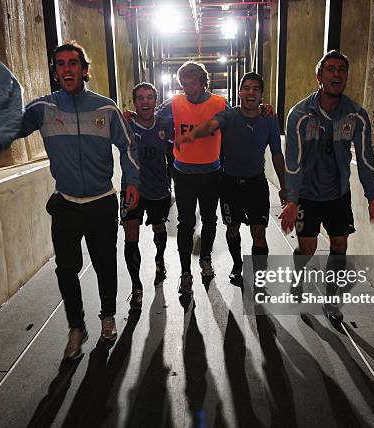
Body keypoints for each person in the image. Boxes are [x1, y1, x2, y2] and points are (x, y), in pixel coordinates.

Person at [17, 41, 140, 359]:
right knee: (66, 269)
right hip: (66, 204)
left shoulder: (105, 108)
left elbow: (128, 148)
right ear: (55, 72)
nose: (67, 68)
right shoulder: (43, 109)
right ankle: (76, 328)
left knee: (104, 264)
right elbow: (10, 128)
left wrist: (131, 184)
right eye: (60, 64)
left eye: (73, 63)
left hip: (101, 202)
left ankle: (108, 317)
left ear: (85, 70)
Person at [279, 50, 374, 324]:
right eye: (330, 69)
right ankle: (299, 284)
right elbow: (292, 161)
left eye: (341, 69)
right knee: (307, 249)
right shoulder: (300, 114)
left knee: (340, 245)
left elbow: (366, 158)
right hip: (306, 194)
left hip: (338, 193)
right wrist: (292, 200)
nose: (336, 74)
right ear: (319, 77)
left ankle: (331, 299)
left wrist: (372, 196)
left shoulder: (356, 115)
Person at [178, 72, 287, 286]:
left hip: (256, 183)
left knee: (259, 232)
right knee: (232, 229)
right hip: (229, 183)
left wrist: (284, 186)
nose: (251, 92)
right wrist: (194, 134)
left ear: (262, 95)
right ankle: (237, 264)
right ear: (239, 92)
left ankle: (259, 276)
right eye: (246, 88)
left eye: (256, 89)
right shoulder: (229, 116)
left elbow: (276, 153)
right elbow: (213, 124)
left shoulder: (269, 119)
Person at [155, 61, 227, 294]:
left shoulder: (219, 104)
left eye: (193, 83)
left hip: (211, 174)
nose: (188, 88)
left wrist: (263, 110)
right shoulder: (174, 103)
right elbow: (152, 119)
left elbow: (242, 118)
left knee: (210, 220)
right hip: (183, 174)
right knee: (185, 223)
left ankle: (205, 259)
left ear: (204, 83)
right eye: (184, 84)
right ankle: (185, 272)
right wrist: (133, 115)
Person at [121, 83, 174, 310]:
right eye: (140, 97)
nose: (145, 101)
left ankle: (159, 260)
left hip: (159, 189)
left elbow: (194, 123)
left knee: (159, 228)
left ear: (156, 101)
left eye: (150, 97)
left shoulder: (165, 124)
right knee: (130, 234)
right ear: (134, 102)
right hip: (132, 189)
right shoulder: (125, 124)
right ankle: (136, 286)